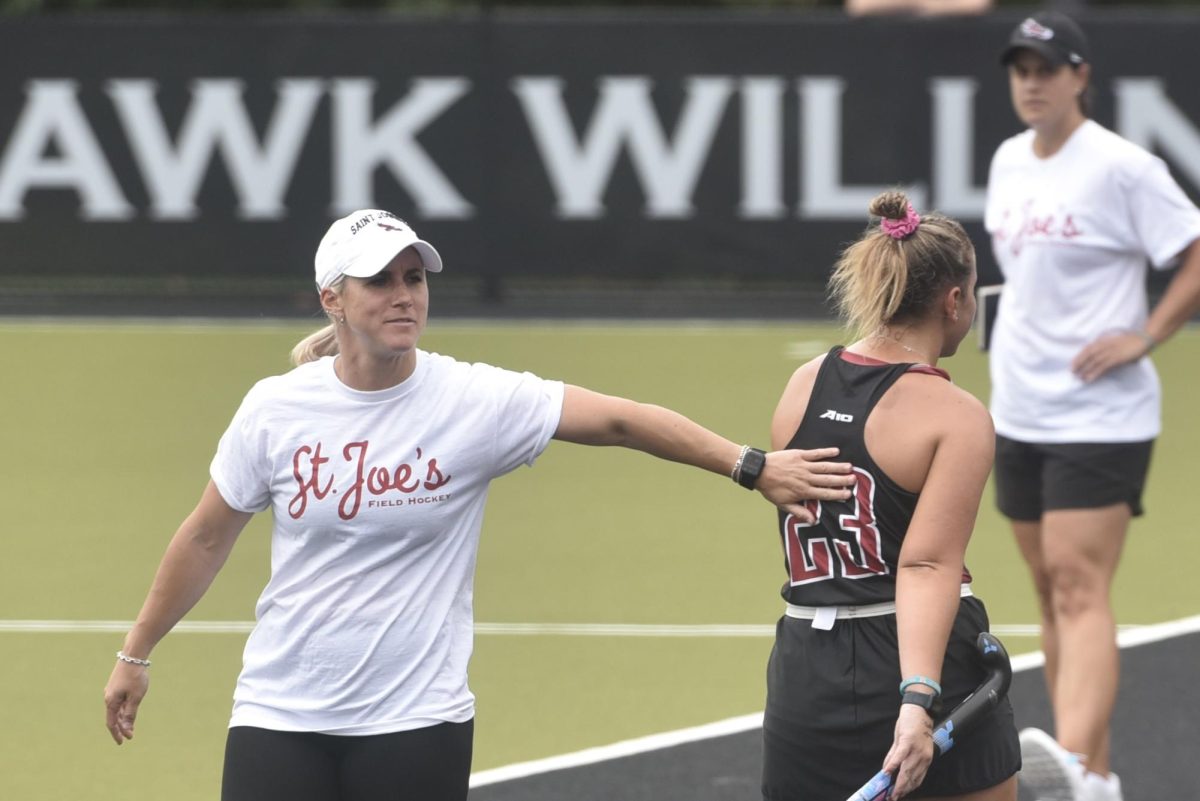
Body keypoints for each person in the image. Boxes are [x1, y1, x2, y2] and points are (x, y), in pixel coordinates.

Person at [101, 209, 858, 801]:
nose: (404, 294)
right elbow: (205, 536)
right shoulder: (275, 408)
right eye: (380, 281)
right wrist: (136, 652)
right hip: (278, 714)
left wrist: (748, 464)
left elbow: (621, 419)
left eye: (414, 277)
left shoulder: (473, 398)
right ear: (332, 298)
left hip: (416, 722)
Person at [985, 12, 1200, 801]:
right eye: (1020, 69)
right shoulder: (1009, 160)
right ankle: (1097, 779)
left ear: (1081, 76)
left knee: (1080, 584)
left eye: (1046, 68)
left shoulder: (1121, 167)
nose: (1031, 82)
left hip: (1100, 416)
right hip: (1019, 406)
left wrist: (1144, 334)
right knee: (1048, 589)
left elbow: (1194, 250)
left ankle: (1071, 764)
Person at [760, 190, 1019, 801]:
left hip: (803, 669)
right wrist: (917, 700)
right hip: (915, 660)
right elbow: (927, 563)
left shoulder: (802, 384)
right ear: (954, 301)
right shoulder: (953, 414)